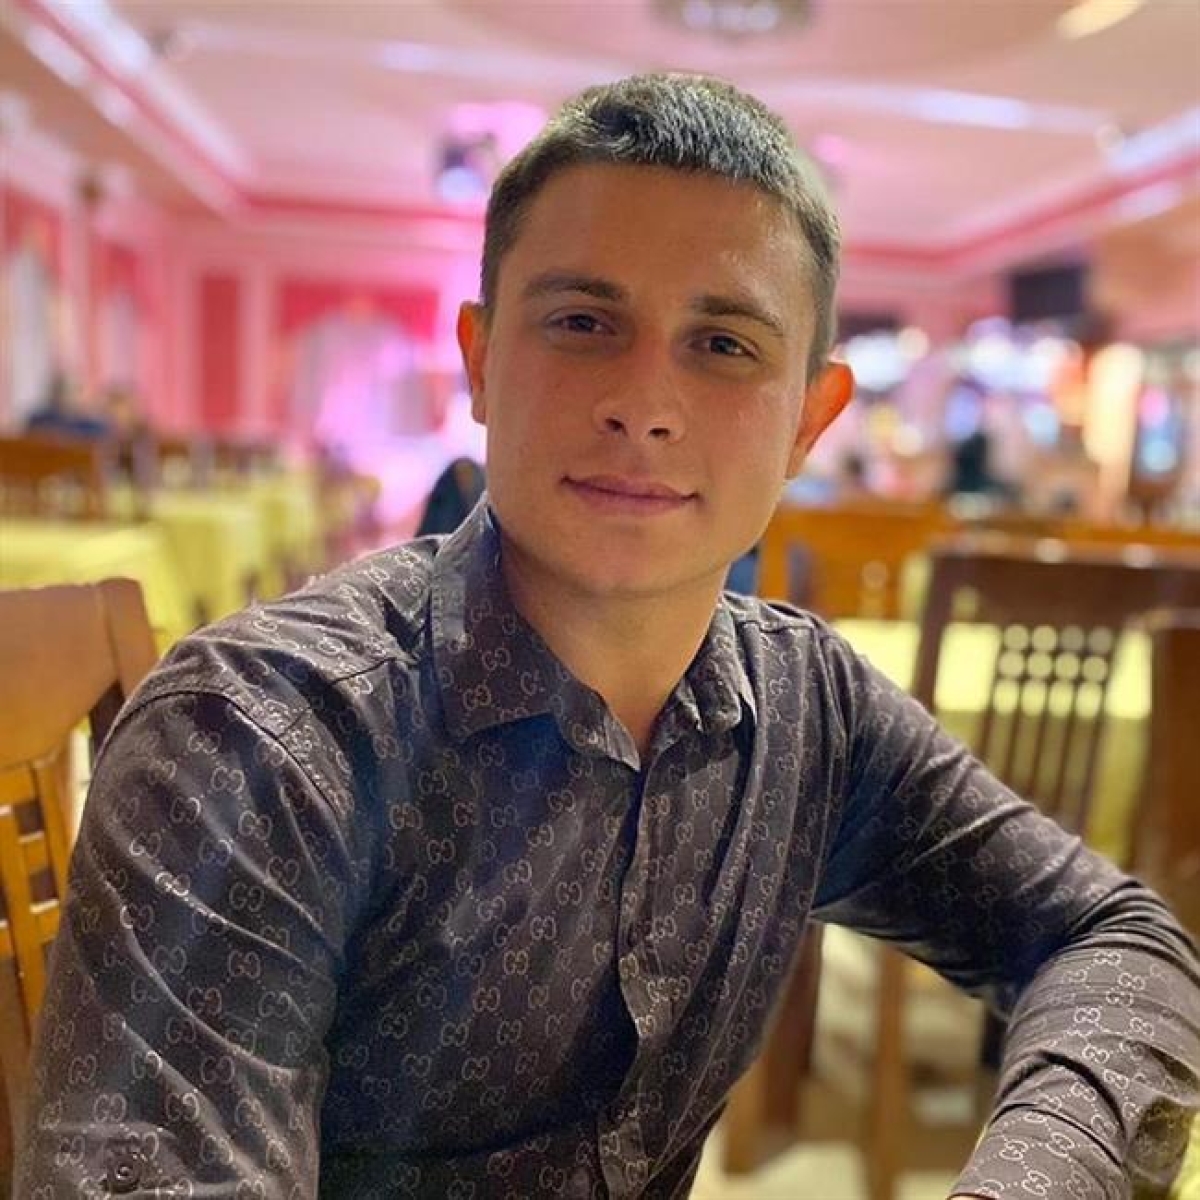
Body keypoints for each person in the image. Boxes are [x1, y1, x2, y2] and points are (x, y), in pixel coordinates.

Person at [17, 74, 1198, 1199]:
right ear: (482, 361)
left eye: (724, 344)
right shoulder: (262, 743)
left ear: (809, 418)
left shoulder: (810, 714)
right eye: (584, 322)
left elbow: (1114, 940)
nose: (644, 403)